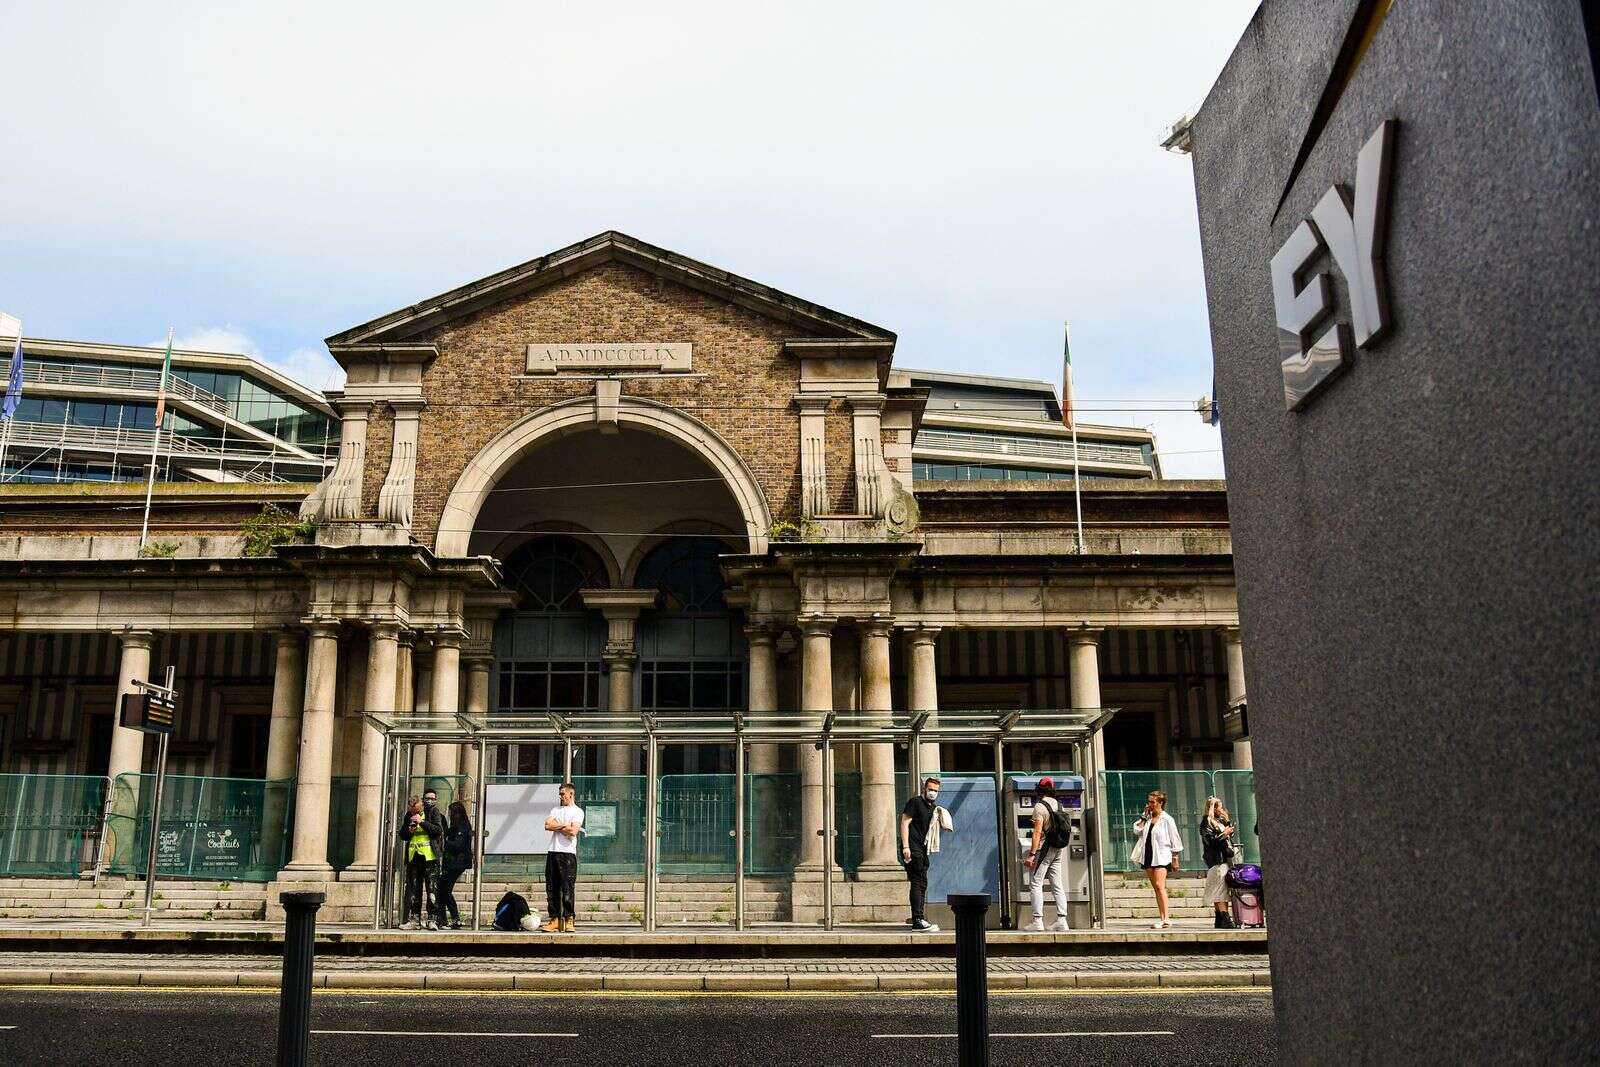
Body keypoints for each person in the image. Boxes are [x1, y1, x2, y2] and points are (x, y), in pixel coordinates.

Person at [1022, 776, 1070, 932]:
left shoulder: (1039, 807)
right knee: (1057, 884)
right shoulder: (1059, 805)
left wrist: (1031, 854)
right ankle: (1062, 920)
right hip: (1058, 848)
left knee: (1036, 883)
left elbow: (1037, 833)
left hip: (1045, 848)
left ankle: (1037, 921)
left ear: (1039, 789)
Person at [1131, 790, 1183, 929]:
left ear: (1160, 803)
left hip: (1162, 855)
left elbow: (1175, 839)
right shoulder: (1148, 819)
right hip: (1148, 855)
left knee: (1160, 885)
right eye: (1149, 802)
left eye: (1153, 802)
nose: (1150, 805)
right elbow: (1136, 831)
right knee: (1156, 888)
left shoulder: (1167, 819)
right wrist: (1143, 817)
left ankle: (1166, 918)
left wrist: (1175, 857)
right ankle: (1162, 918)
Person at [539, 782, 584, 933]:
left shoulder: (578, 811)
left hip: (568, 853)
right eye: (560, 794)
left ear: (571, 794)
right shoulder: (555, 809)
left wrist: (557, 825)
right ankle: (554, 919)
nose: (561, 797)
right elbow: (547, 825)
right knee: (552, 887)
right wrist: (565, 825)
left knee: (567, 887)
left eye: (563, 794)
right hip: (553, 851)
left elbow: (573, 831)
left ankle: (569, 919)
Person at [899, 776, 941, 932]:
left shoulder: (932, 807)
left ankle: (919, 917)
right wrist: (905, 846)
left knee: (922, 882)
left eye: (935, 791)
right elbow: (904, 823)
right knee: (918, 881)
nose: (932, 793)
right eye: (930, 789)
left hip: (923, 849)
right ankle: (917, 919)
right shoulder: (915, 802)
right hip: (912, 847)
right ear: (924, 789)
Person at [397, 796, 442, 930]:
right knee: (414, 889)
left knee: (431, 889)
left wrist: (422, 822)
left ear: (422, 806)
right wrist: (408, 831)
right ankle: (414, 919)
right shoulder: (408, 815)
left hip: (429, 857)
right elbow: (402, 834)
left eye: (417, 811)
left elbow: (438, 830)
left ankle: (432, 919)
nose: (414, 814)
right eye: (412, 812)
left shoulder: (432, 812)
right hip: (414, 856)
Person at [1200, 796, 1239, 929]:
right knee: (1220, 889)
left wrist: (1228, 824)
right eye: (1218, 806)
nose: (1220, 809)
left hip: (1225, 858)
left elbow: (1229, 837)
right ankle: (1225, 917)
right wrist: (1225, 833)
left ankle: (1219, 918)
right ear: (1212, 808)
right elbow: (1210, 841)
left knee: (1221, 888)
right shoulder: (1207, 822)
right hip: (1217, 859)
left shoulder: (1220, 821)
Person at [437, 800, 474, 930]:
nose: (450, 815)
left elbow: (458, 845)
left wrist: (444, 843)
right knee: (441, 890)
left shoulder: (462, 826)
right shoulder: (454, 826)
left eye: (452, 813)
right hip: (451, 863)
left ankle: (455, 918)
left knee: (445, 891)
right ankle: (442, 919)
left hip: (458, 863)